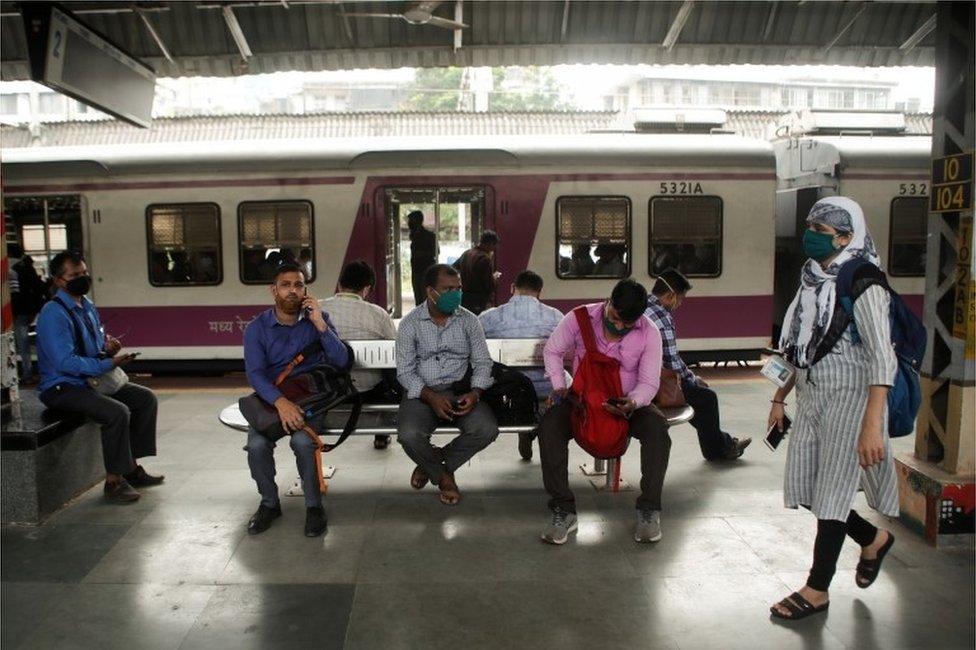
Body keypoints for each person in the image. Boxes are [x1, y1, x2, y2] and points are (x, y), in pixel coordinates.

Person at [769, 197, 898, 621]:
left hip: (852, 397)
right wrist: (779, 397)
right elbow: (801, 346)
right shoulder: (812, 278)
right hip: (812, 395)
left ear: (846, 237)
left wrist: (872, 425)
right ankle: (872, 539)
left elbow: (883, 357)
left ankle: (817, 587)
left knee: (834, 492)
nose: (810, 236)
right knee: (808, 486)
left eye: (821, 231)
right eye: (810, 226)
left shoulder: (864, 281)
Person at [538, 279, 670, 545]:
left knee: (657, 429)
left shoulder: (649, 332)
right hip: (581, 402)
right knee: (550, 424)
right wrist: (559, 386)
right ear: (608, 302)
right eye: (614, 319)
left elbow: (649, 383)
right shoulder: (580, 318)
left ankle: (649, 509)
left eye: (626, 325)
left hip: (627, 404)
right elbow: (552, 350)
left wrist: (632, 402)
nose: (618, 327)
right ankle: (563, 509)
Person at [35, 251, 163, 504]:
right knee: (117, 412)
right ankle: (114, 481)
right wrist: (107, 362)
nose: (83, 278)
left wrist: (108, 347)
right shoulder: (53, 314)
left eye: (84, 272)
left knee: (145, 399)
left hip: (91, 380)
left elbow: (92, 346)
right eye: (75, 275)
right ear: (59, 281)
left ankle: (131, 467)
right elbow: (64, 362)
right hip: (63, 386)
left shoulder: (87, 305)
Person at [243, 261, 350, 537]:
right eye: (285, 285)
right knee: (256, 445)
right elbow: (255, 374)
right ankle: (269, 503)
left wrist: (320, 324)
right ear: (273, 290)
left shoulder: (318, 320)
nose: (292, 290)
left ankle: (314, 507)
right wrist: (280, 403)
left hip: (312, 399)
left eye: (298, 285)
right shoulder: (257, 329)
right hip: (273, 399)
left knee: (303, 442)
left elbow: (340, 362)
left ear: (305, 290)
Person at [396, 263, 498, 506]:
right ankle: (444, 478)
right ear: (430, 291)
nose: (456, 294)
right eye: (448, 289)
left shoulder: (469, 321)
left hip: (459, 391)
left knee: (486, 429)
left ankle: (431, 463)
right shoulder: (410, 323)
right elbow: (405, 372)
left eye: (458, 288)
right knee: (409, 435)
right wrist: (430, 396)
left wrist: (475, 392)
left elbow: (483, 362)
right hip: (422, 393)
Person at [644, 268, 751, 461]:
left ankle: (723, 444)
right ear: (670, 295)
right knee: (707, 398)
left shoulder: (643, 305)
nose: (680, 304)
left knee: (699, 402)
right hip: (654, 384)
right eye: (680, 299)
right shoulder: (661, 316)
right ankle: (718, 449)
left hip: (637, 377)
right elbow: (671, 360)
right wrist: (693, 379)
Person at [479, 270, 564, 460]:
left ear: (511, 289)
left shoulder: (487, 317)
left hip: (506, 390)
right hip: (547, 389)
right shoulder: (556, 317)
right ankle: (535, 430)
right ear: (540, 292)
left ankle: (527, 429)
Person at [321, 260, 398, 450]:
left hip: (326, 391)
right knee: (386, 379)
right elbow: (396, 350)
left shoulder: (316, 308)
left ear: (340, 285)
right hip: (368, 393)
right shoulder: (378, 314)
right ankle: (381, 435)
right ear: (367, 289)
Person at [9, 245, 47, 383]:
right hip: (23, 310)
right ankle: (27, 373)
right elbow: (36, 287)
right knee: (23, 342)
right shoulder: (24, 267)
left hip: (7, 311)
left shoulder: (6, 268)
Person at [454, 230, 500, 315]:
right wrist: (495, 277)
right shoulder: (484, 259)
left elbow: (453, 268)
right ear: (489, 244)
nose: (493, 249)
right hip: (480, 300)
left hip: (465, 298)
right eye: (494, 246)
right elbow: (489, 285)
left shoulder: (466, 253)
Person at [407, 210, 438, 306]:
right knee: (418, 299)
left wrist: (421, 254)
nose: (408, 223)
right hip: (416, 271)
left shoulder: (429, 235)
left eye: (410, 220)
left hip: (426, 272)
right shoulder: (413, 235)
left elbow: (436, 252)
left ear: (417, 221)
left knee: (426, 299)